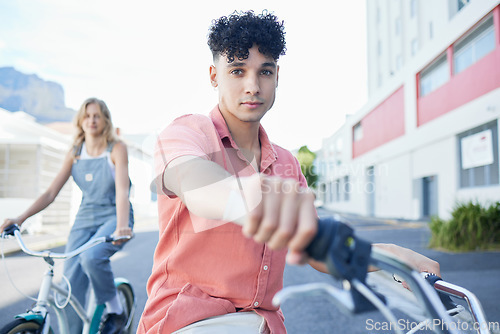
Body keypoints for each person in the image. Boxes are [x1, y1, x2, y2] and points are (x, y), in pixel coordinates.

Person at [138, 11, 440, 334]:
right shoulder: (187, 132)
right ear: (214, 76)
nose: (252, 86)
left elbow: (315, 246)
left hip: (263, 326)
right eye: (237, 71)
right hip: (185, 323)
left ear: (277, 76)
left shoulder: (286, 162)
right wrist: (253, 196)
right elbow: (192, 180)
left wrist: (389, 256)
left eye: (264, 72)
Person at [1, 97, 134, 334]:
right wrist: (19, 219)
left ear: (105, 120)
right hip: (86, 216)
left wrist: (122, 226)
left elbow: (123, 191)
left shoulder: (116, 148)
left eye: (97, 116)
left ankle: (116, 312)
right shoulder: (75, 152)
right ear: (80, 120)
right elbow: (51, 192)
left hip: (114, 214)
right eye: (87, 115)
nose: (91, 120)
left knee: (92, 258)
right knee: (71, 280)